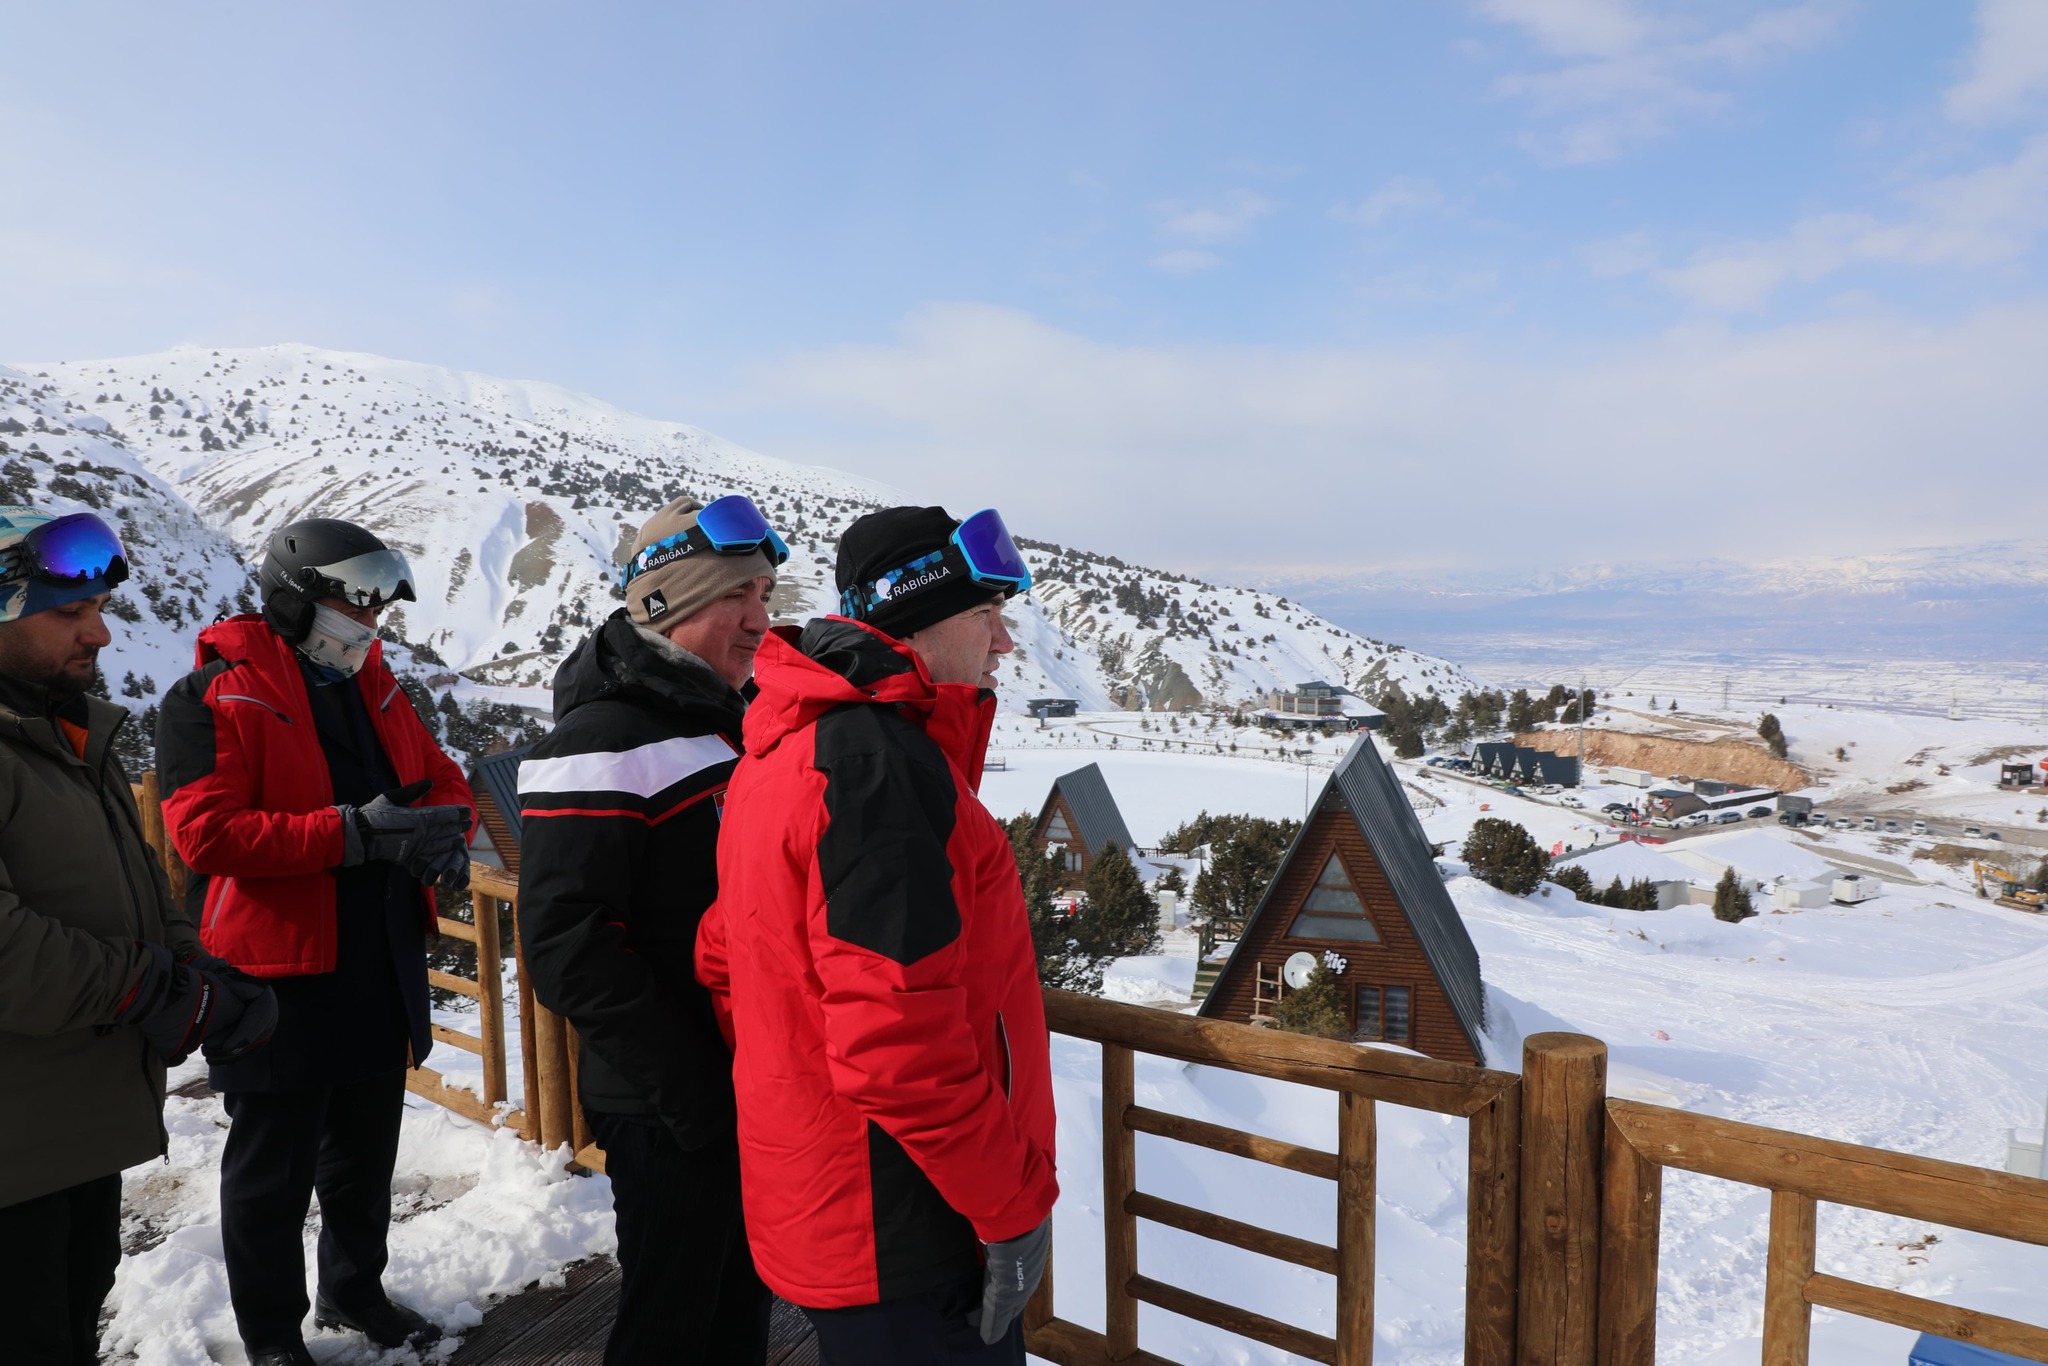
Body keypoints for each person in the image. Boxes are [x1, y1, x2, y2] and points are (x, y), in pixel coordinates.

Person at [697, 505, 1057, 1366]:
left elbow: (724, 951)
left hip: (829, 1192)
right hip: (904, 1221)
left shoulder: (791, 738)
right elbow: (897, 1048)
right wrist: (1009, 1209)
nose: (1003, 643)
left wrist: (798, 1082)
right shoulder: (876, 771)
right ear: (920, 617)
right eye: (986, 615)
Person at [157, 518, 475, 1366]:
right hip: (276, 966)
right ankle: (270, 1334)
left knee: (365, 1150)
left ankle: (352, 1288)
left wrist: (451, 827)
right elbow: (205, 834)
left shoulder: (376, 685)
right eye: (351, 598)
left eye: (377, 604)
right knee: (273, 1165)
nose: (368, 620)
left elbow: (442, 778)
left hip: (376, 953)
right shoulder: (215, 694)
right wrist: (349, 836)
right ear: (297, 594)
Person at [0, 507, 275, 1366]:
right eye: (67, 615)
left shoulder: (68, 734)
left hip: (71, 1131)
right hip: (15, 1151)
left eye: (97, 611)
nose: (103, 633)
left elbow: (138, 886)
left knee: (71, 1323)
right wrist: (153, 990)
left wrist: (199, 971)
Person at [517, 495, 784, 1365]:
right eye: (736, 595)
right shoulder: (600, 738)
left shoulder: (723, 721)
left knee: (737, 1314)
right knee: (673, 1323)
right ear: (667, 603)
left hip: (733, 1087)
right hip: (670, 1103)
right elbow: (565, 943)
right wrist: (694, 1090)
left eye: (767, 595)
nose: (759, 619)